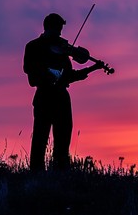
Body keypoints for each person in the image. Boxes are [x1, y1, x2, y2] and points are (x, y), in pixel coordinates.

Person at [23, 12, 105, 171]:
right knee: (40, 137)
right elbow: (28, 69)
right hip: (44, 95)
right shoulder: (33, 46)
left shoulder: (63, 51)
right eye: (58, 30)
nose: (60, 34)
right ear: (49, 28)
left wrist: (93, 68)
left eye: (60, 31)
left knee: (63, 139)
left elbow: (69, 76)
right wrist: (49, 73)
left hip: (61, 98)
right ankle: (36, 174)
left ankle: (60, 173)